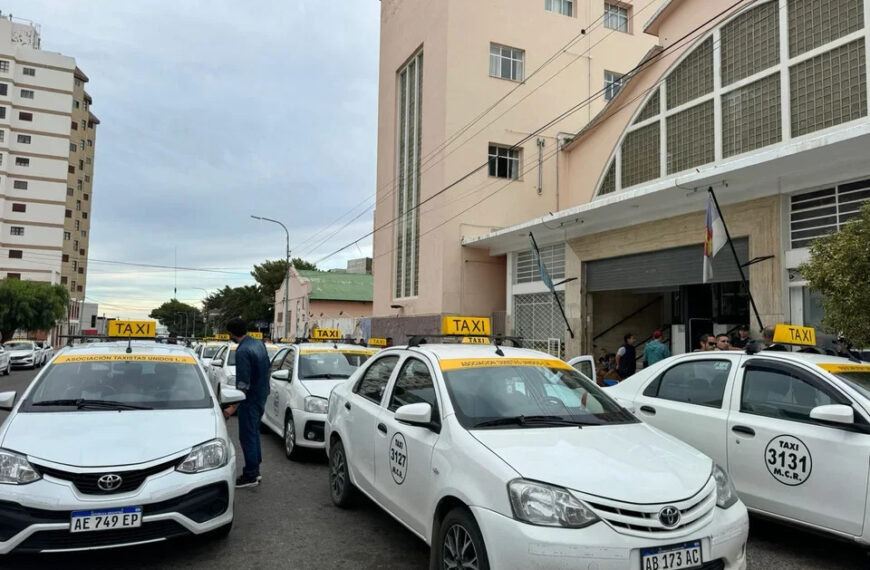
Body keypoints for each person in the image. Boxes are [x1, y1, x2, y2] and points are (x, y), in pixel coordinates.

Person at [223, 317, 271, 488]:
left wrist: (231, 408)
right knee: (254, 433)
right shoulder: (258, 344)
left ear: (231, 333)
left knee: (248, 436)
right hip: (261, 395)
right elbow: (268, 369)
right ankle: (255, 469)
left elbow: (243, 385)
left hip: (249, 400)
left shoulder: (242, 351)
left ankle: (251, 474)